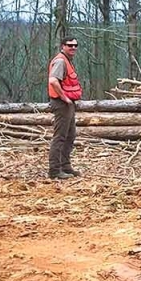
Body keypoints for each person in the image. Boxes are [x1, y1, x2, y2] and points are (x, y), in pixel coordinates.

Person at [47, 36, 83, 179]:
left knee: (70, 135)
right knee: (60, 137)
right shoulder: (61, 61)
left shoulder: (67, 61)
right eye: (70, 45)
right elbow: (53, 81)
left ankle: (65, 166)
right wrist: (65, 98)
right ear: (63, 46)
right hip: (62, 104)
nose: (73, 47)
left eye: (75, 45)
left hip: (68, 104)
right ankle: (55, 171)